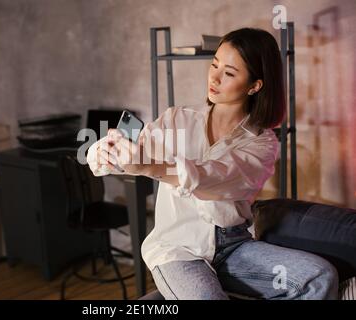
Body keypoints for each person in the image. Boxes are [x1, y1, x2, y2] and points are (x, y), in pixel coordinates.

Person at [86, 28, 338, 300]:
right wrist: (103, 153)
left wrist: (150, 168)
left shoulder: (261, 143)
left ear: (255, 85)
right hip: (178, 250)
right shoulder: (176, 120)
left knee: (319, 276)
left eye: (229, 73)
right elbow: (118, 156)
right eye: (214, 65)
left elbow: (211, 178)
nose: (214, 78)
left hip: (234, 247)